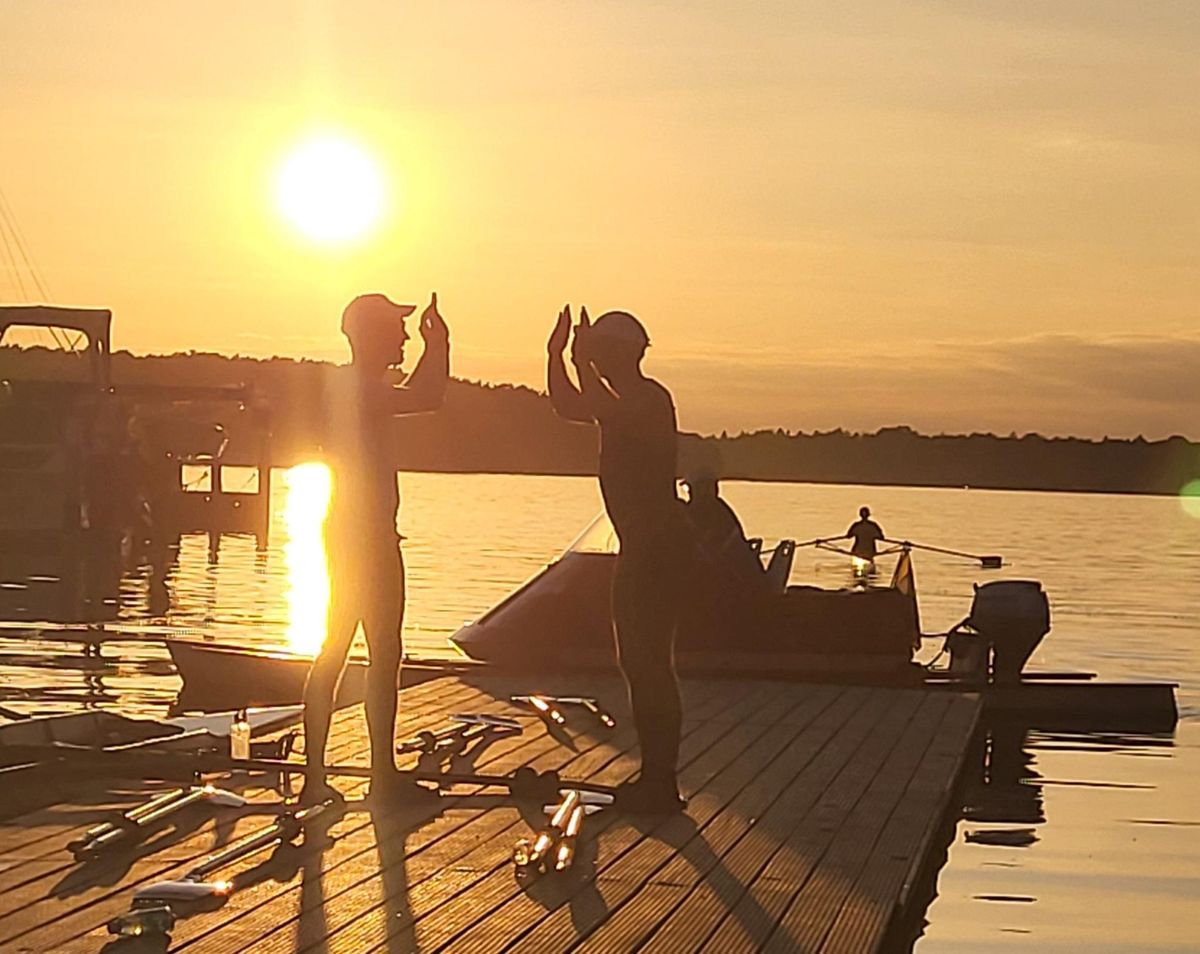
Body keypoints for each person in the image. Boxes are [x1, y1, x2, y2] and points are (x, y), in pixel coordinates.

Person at [302, 292, 450, 803]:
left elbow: (419, 394)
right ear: (368, 334)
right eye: (396, 329)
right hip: (361, 538)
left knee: (355, 647)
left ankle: (331, 776)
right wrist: (441, 344)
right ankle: (357, 778)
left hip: (356, 532)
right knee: (369, 650)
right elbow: (430, 396)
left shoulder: (355, 385)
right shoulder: (358, 388)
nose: (405, 336)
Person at [547, 304, 687, 813]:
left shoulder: (648, 400)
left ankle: (660, 781)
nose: (598, 361)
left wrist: (581, 360)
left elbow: (601, 408)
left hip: (656, 546)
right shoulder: (623, 399)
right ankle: (657, 778)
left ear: (624, 356)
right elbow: (567, 405)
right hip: (645, 545)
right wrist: (555, 355)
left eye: (605, 353)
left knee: (648, 661)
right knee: (639, 661)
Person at [683, 468, 761, 581]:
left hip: (730, 576)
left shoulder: (701, 511)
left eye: (688, 488)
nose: (689, 493)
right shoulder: (721, 507)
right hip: (742, 571)